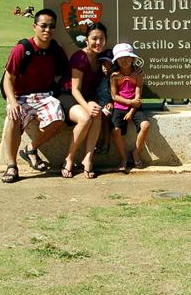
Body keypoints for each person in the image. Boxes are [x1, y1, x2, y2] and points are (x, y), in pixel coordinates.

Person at [0, 9, 70, 183]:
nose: (47, 30)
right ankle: (12, 165)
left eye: (52, 27)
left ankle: (31, 148)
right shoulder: (22, 49)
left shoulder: (55, 50)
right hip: (19, 95)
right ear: (34, 27)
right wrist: (13, 102)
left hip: (44, 95)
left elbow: (63, 74)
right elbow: (8, 79)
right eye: (43, 26)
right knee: (13, 118)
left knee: (58, 118)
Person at [59, 21, 107, 179]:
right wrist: (86, 106)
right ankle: (69, 158)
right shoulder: (80, 57)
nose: (98, 42)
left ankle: (88, 159)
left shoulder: (101, 58)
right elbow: (74, 89)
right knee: (85, 118)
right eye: (94, 38)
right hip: (67, 95)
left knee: (97, 112)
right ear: (86, 39)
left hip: (86, 97)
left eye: (101, 38)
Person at [109, 42, 151, 172]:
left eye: (127, 57)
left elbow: (137, 97)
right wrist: (129, 103)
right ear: (116, 60)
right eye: (120, 58)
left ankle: (136, 152)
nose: (124, 61)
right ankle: (124, 157)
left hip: (135, 107)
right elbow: (114, 96)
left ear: (133, 58)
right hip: (119, 107)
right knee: (115, 130)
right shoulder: (115, 76)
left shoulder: (138, 74)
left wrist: (132, 111)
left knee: (145, 125)